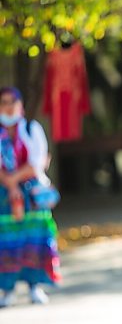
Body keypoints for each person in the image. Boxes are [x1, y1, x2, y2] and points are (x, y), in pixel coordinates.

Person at [0, 87, 61, 307]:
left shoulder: (31, 128)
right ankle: (6, 290)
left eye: (12, 101)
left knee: (34, 239)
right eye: (3, 102)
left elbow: (38, 161)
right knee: (5, 242)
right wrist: (9, 184)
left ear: (20, 105)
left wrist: (13, 180)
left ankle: (35, 287)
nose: (8, 106)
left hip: (31, 195)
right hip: (3, 196)